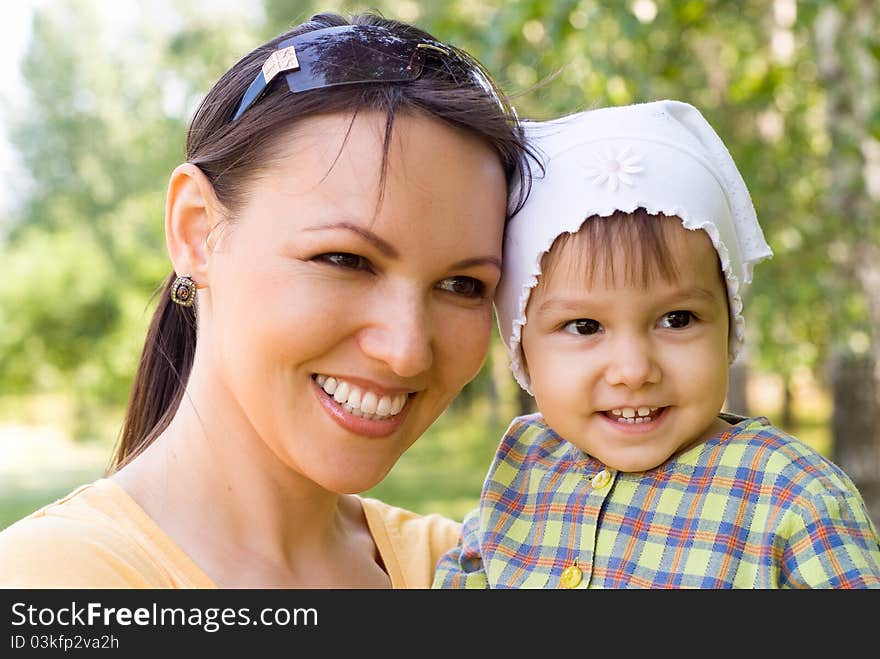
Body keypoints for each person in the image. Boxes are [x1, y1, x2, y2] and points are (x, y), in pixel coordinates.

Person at [0, 11, 536, 588]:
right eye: (345, 260)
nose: (406, 351)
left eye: (463, 286)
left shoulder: (471, 568)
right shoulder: (52, 583)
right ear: (197, 229)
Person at [433, 99, 880, 588]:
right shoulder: (525, 465)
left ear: (729, 325)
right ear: (521, 345)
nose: (633, 369)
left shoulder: (790, 492)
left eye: (676, 318)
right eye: (584, 326)